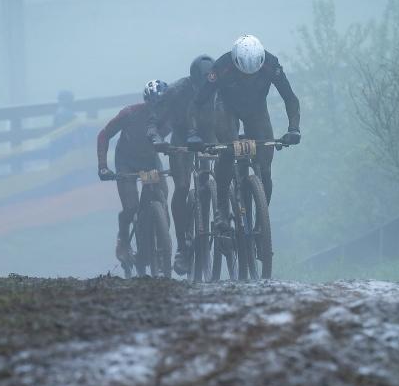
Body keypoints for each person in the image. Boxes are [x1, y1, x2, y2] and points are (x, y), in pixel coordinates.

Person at [187, 34, 301, 226]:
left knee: (265, 168)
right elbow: (197, 102)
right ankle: (222, 208)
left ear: (261, 63)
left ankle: (261, 220)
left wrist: (294, 129)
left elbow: (290, 98)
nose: (249, 77)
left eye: (253, 73)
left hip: (256, 109)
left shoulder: (271, 64)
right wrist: (193, 133)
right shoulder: (222, 66)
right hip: (227, 108)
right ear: (235, 63)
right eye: (243, 73)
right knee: (228, 151)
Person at [147, 54, 217, 275]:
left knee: (208, 180)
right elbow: (153, 122)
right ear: (193, 81)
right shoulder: (175, 91)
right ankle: (183, 246)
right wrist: (157, 140)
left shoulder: (219, 85)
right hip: (181, 139)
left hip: (208, 135)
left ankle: (220, 213)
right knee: (183, 187)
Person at [97, 79, 170, 264]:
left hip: (150, 161)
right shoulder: (129, 114)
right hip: (126, 162)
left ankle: (161, 243)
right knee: (131, 207)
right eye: (153, 105)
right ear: (146, 102)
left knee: (162, 199)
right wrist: (103, 166)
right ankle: (123, 240)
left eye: (161, 105)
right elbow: (104, 135)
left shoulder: (170, 117)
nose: (156, 110)